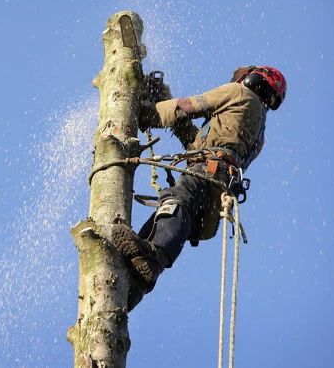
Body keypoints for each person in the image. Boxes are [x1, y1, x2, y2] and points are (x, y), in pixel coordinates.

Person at [110, 65, 287, 311]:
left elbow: (187, 107)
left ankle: (152, 254)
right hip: (218, 187)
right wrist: (162, 95)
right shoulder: (259, 132)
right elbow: (195, 144)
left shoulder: (239, 94)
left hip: (208, 169)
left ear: (252, 80)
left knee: (176, 201)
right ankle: (137, 284)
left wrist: (139, 113)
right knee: (172, 210)